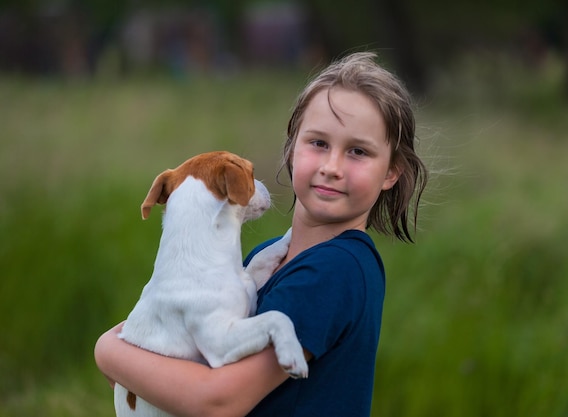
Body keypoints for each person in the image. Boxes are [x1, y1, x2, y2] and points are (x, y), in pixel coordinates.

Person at [95, 51, 428, 417]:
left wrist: (108, 351)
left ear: (391, 173)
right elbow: (175, 364)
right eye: (318, 143)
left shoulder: (334, 271)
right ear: (291, 147)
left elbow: (218, 401)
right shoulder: (268, 256)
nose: (332, 167)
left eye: (358, 151)